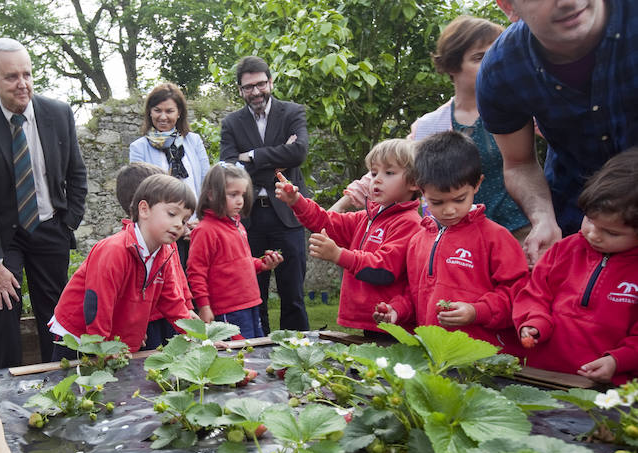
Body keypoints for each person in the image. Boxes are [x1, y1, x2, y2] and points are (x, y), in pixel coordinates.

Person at [337, 16, 530, 241]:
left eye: (496, 56)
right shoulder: (431, 126)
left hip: (518, 236)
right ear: (452, 64)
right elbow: (392, 166)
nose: (492, 64)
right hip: (456, 244)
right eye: (479, 58)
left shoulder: (520, 109)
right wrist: (340, 207)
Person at [0, 37, 88, 368]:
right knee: (5, 306)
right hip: (5, 235)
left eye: (27, 74)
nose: (23, 84)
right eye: (12, 77)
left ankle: (60, 379)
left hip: (50, 226)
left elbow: (76, 172)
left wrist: (68, 221)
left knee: (54, 310)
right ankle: (3, 386)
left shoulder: (58, 113)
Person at [477, 0, 637, 265]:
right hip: (576, 216)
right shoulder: (501, 70)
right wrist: (543, 218)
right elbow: (519, 164)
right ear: (509, 7)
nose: (569, 2)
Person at [373, 131, 528, 352]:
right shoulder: (418, 240)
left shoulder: (496, 238)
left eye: (459, 199)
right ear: (421, 190)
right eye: (437, 202)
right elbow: (414, 292)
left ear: (477, 184)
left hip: (482, 358)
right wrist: (396, 311)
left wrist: (477, 311)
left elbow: (518, 294)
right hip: (434, 354)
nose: (449, 210)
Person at [514, 148, 638, 384]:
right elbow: (534, 293)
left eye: (611, 232)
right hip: (543, 375)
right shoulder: (564, 250)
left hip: (606, 387)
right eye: (589, 220)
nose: (593, 234)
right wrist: (533, 323)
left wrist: (618, 360)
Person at [276, 139, 421, 339]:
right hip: (375, 321)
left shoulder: (408, 223)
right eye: (373, 172)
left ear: (414, 182)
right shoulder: (367, 217)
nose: (377, 179)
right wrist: (297, 202)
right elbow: (326, 222)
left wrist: (338, 255)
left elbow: (383, 269)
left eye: (389, 173)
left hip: (396, 326)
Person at [49, 174, 196, 355]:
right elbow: (98, 304)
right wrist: (103, 347)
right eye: (172, 214)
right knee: (75, 382)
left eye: (184, 220)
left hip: (114, 343)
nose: (178, 225)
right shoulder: (114, 250)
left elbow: (174, 305)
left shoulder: (164, 255)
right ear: (144, 209)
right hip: (80, 337)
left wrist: (201, 339)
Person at [220, 56, 309, 334]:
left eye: (260, 84)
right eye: (248, 87)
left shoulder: (292, 112)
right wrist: (277, 159)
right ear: (240, 90)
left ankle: (298, 353)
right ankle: (258, 353)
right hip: (249, 219)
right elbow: (229, 168)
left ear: (270, 82)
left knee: (292, 295)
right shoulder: (232, 123)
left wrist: (253, 157)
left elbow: (299, 152)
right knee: (253, 296)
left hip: (287, 216)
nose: (256, 92)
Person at [187, 163, 283, 339]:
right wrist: (204, 306)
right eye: (233, 194)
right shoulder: (205, 230)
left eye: (243, 195)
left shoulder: (237, 225)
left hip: (252, 303)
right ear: (211, 194)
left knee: (254, 352)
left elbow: (240, 262)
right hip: (228, 311)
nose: (240, 200)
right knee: (239, 358)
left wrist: (261, 263)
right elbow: (196, 272)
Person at [115, 162, 193, 349]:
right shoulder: (125, 247)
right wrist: (127, 328)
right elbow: (121, 297)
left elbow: (178, 276)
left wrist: (188, 306)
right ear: (145, 205)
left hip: (171, 314)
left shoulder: (167, 239)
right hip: (147, 320)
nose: (179, 224)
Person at [129, 82, 210, 201]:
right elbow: (138, 192)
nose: (163, 117)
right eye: (157, 110)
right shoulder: (138, 148)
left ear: (179, 113)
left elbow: (207, 182)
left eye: (169, 111)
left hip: (195, 218)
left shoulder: (194, 141)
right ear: (150, 112)